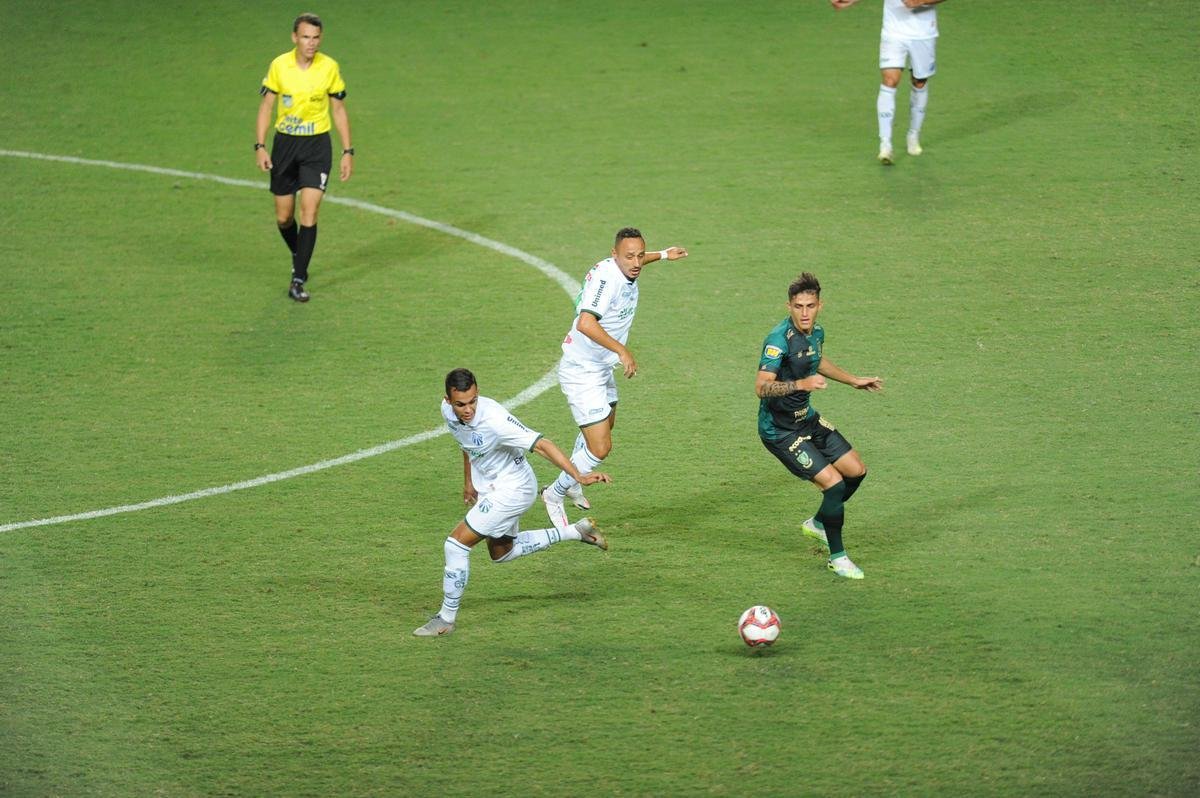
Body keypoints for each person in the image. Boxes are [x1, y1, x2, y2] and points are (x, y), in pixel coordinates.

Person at [414, 368, 613, 637]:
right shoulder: (448, 412)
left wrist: (577, 475)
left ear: (478, 393)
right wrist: (469, 481)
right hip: (492, 487)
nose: (468, 409)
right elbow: (466, 443)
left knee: (456, 545)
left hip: (513, 489)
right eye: (461, 404)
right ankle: (575, 531)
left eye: (473, 401)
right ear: (448, 400)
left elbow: (543, 444)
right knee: (502, 553)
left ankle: (446, 619)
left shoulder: (495, 419)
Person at [540, 228, 688, 531]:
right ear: (613, 255)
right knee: (600, 447)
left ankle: (570, 482)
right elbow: (585, 322)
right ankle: (553, 494)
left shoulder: (628, 264)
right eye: (628, 256)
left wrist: (663, 255)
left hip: (600, 367)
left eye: (639, 255)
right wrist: (622, 350)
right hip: (582, 370)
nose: (636, 262)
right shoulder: (607, 282)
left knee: (606, 425)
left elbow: (637, 260)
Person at [755, 273, 883, 579]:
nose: (804, 313)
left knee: (856, 470)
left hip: (806, 418)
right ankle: (838, 558)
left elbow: (816, 361)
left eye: (810, 306)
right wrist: (801, 383)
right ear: (789, 306)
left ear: (819, 306)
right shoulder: (777, 340)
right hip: (780, 431)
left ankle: (818, 523)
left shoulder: (816, 333)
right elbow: (761, 387)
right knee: (834, 484)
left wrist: (853, 380)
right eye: (798, 306)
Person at [254, 13, 354, 302]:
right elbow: (266, 107)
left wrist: (348, 151)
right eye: (306, 37)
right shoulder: (279, 66)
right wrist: (260, 145)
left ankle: (298, 279)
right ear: (295, 38)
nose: (312, 43)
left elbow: (338, 110)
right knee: (284, 217)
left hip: (316, 147)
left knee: (309, 211)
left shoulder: (329, 67)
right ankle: (300, 253)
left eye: (316, 37)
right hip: (285, 146)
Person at [831, 0, 948, 165]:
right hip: (893, 32)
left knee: (919, 82)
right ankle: (885, 145)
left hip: (924, 33)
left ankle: (913, 134)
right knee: (890, 80)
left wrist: (920, 1)